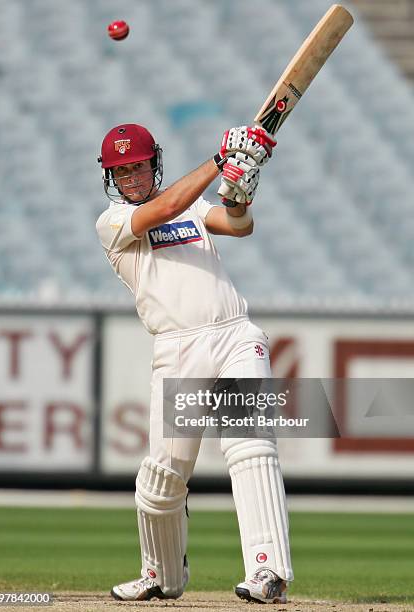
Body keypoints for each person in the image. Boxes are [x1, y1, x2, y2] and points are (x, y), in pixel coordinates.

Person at [96, 123, 293, 604]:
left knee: (250, 446)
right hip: (178, 350)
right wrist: (219, 159)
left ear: (153, 163)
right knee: (163, 475)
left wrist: (239, 193)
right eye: (122, 171)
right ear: (111, 178)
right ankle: (160, 574)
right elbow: (165, 208)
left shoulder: (195, 207)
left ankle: (268, 572)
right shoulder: (113, 223)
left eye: (138, 166)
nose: (133, 178)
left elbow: (239, 226)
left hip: (234, 335)